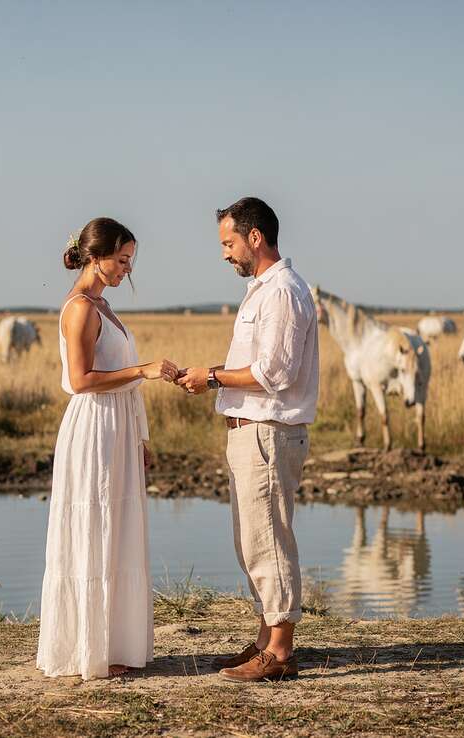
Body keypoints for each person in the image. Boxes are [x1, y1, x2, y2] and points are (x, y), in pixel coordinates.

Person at [177, 197, 319, 682]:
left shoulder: (281, 291)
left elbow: (274, 373)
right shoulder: (265, 289)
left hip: (267, 432)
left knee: (269, 543)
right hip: (253, 432)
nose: (225, 253)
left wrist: (211, 376)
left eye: (228, 242)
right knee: (254, 542)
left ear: (254, 237)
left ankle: (280, 652)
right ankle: (265, 640)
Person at [35, 217, 179, 680]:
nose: (126, 270)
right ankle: (87, 650)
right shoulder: (80, 308)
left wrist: (141, 437)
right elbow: (80, 381)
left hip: (117, 428)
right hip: (94, 429)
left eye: (130, 262)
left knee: (117, 529)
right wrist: (143, 369)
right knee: (95, 525)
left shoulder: (104, 305)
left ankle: (114, 644)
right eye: (121, 260)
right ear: (95, 257)